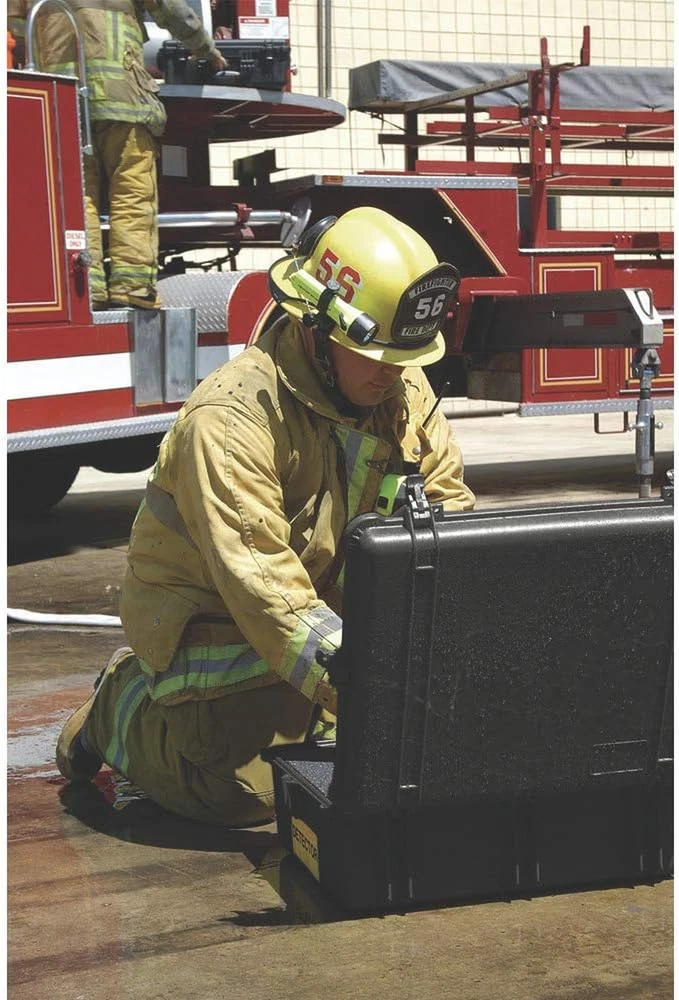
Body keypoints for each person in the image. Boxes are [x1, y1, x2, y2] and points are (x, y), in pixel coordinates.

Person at [56, 207, 476, 826]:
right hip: (215, 627)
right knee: (248, 796)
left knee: (374, 761)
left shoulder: (400, 387)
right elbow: (264, 587)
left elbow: (447, 515)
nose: (393, 372)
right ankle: (120, 704)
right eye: (374, 352)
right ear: (316, 324)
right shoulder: (231, 420)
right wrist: (372, 690)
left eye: (405, 354)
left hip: (319, 620)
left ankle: (326, 707)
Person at [8, 0, 226, 310]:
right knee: (132, 189)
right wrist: (206, 48)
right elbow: (171, 9)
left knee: (77, 198)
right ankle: (132, 286)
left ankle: (86, 287)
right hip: (122, 95)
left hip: (61, 98)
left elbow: (16, 29)